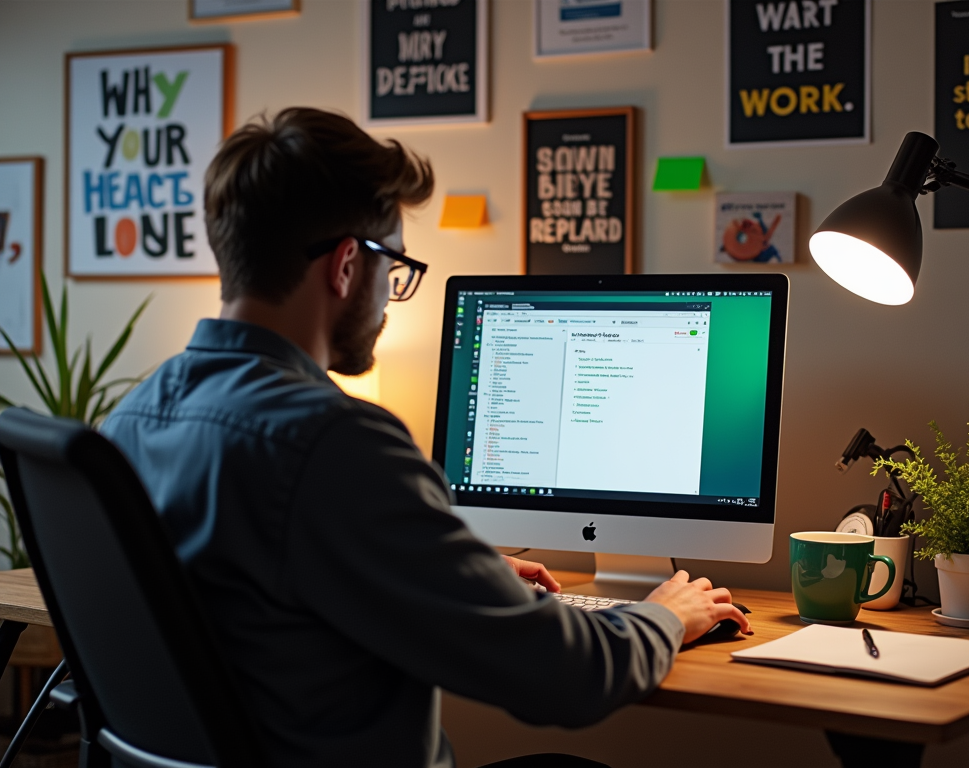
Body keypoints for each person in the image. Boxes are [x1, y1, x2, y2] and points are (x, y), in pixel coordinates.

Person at [100, 107, 751, 768]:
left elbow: (266, 595)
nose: (390, 296)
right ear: (348, 264)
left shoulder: (129, 419)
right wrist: (668, 614)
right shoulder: (335, 443)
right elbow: (564, 678)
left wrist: (451, 571)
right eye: (396, 267)